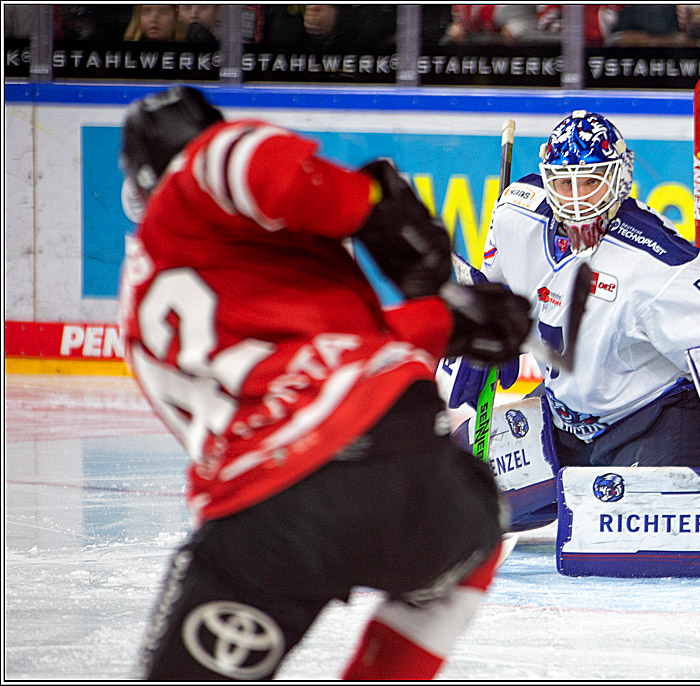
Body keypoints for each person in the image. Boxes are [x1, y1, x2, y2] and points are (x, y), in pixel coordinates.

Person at [118, 85, 532, 680]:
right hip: (400, 465)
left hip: (265, 519)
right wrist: (372, 204)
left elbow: (309, 364)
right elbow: (263, 167)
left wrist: (451, 321)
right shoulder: (201, 173)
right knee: (476, 539)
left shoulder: (139, 302)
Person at [447, 111, 700, 480]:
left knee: (633, 533)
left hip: (654, 419)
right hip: (567, 418)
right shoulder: (514, 215)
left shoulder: (656, 259)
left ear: (619, 178)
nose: (577, 200)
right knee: (463, 479)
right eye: (565, 184)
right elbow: (496, 286)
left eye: (591, 182)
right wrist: (486, 326)